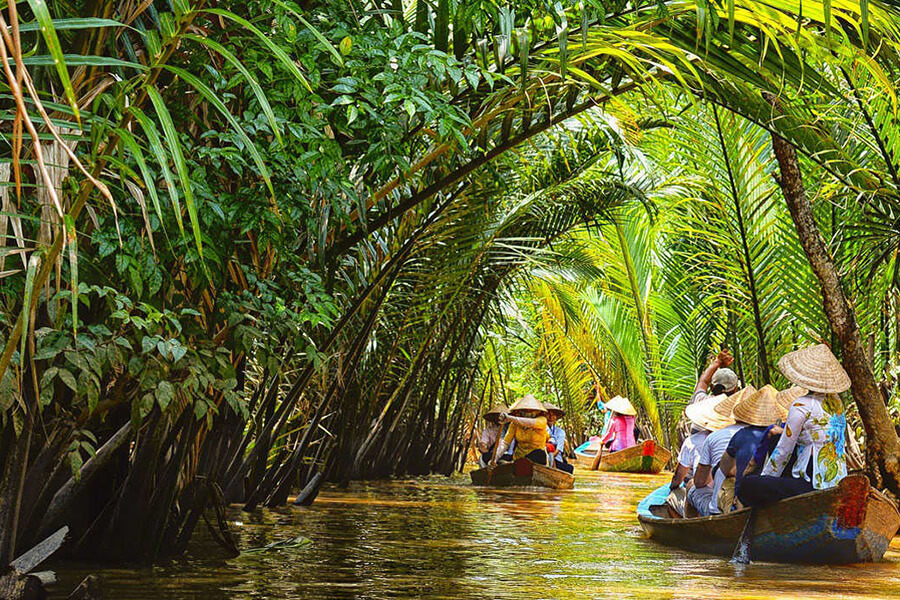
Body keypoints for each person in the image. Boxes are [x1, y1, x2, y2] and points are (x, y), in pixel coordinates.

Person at [737, 345, 850, 507]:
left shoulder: (801, 404)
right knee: (776, 438)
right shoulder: (837, 403)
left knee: (747, 486)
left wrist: (766, 479)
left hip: (812, 484)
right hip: (837, 480)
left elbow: (783, 450)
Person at [686, 385, 755, 516]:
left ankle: (688, 526)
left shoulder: (714, 437)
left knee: (691, 486)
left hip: (718, 510)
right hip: (751, 505)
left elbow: (699, 482)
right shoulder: (767, 434)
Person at [717, 385, 783, 512]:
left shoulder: (741, 435)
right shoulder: (785, 434)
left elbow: (725, 468)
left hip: (747, 499)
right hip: (775, 496)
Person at [666, 393, 732, 516]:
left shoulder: (695, 440)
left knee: (686, 488)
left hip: (714, 503)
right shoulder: (737, 435)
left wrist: (672, 488)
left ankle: (687, 523)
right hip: (732, 499)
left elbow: (680, 477)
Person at [491, 395, 551, 466]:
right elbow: (505, 443)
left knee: (539, 454)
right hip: (518, 458)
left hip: (536, 459)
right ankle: (516, 464)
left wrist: (510, 418)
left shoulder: (542, 420)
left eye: (531, 410)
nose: (528, 412)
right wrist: (495, 458)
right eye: (525, 410)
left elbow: (530, 423)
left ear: (537, 411)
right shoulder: (515, 424)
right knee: (488, 456)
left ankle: (517, 464)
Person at [544, 403, 575, 474]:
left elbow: (558, 450)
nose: (551, 417)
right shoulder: (539, 429)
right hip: (542, 457)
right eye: (548, 414)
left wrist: (549, 459)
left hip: (555, 459)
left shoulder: (560, 432)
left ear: (556, 417)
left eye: (553, 415)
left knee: (570, 468)